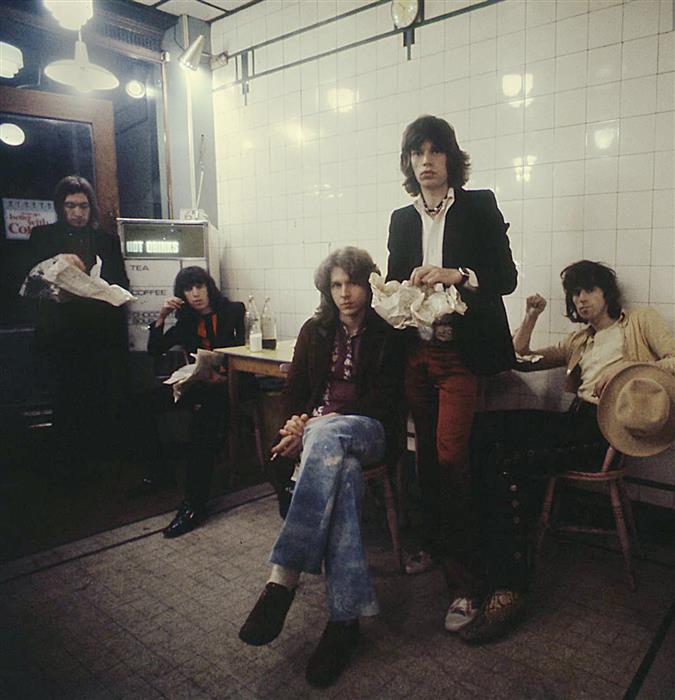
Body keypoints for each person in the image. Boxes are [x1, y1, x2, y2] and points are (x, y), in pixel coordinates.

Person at [465, 260, 675, 644]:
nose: (581, 299)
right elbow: (518, 359)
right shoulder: (580, 341)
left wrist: (631, 373)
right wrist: (530, 315)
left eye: (589, 290)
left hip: (606, 433)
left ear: (606, 293)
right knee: (482, 429)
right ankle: (479, 552)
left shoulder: (640, 321)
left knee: (507, 464)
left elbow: (673, 361)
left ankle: (509, 587)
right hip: (574, 420)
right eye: (575, 293)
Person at [238, 247, 403, 688]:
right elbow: (294, 395)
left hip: (369, 432)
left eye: (352, 282)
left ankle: (283, 579)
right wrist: (296, 422)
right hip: (324, 439)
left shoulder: (389, 334)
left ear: (368, 284)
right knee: (343, 474)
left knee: (328, 435)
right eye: (335, 285)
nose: (344, 293)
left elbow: (386, 403)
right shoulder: (315, 331)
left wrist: (313, 425)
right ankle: (344, 621)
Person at [386, 115, 517, 632]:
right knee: (425, 459)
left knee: (450, 455)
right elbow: (397, 284)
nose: (425, 161)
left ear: (451, 159)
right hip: (415, 353)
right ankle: (434, 545)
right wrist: (395, 291)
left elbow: (504, 278)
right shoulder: (401, 217)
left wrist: (455, 275)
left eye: (434, 151)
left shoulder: (479, 204)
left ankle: (466, 582)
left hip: (459, 355)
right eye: (417, 153)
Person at [29, 175, 129, 475]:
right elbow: (29, 281)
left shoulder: (106, 240)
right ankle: (67, 468)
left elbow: (121, 282)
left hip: (98, 332)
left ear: (91, 208)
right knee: (65, 400)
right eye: (71, 205)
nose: (77, 213)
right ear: (61, 207)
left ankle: (99, 464)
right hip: (61, 332)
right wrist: (57, 268)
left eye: (83, 206)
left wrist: (105, 290)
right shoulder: (43, 237)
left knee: (99, 398)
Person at [147, 266, 245, 538]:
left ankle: (193, 505)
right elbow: (154, 350)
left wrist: (224, 376)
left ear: (208, 287)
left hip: (230, 384)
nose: (195, 294)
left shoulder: (233, 311)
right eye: (188, 289)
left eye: (199, 286)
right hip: (199, 384)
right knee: (143, 404)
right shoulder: (186, 322)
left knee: (201, 430)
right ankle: (158, 472)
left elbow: (249, 351)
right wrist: (162, 316)